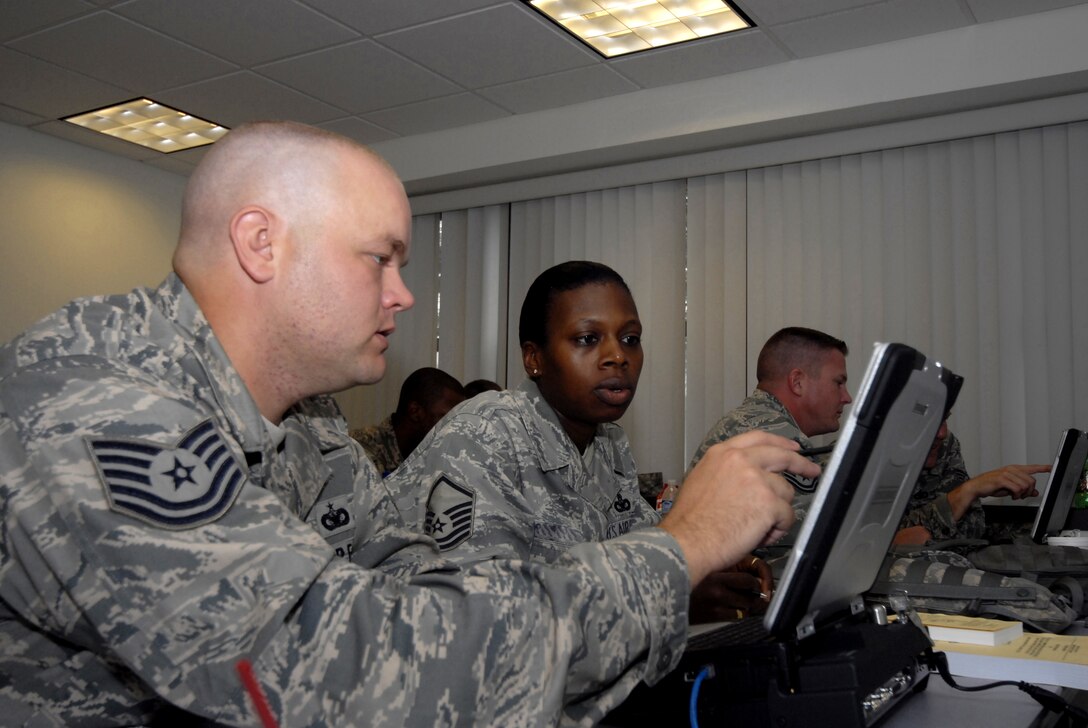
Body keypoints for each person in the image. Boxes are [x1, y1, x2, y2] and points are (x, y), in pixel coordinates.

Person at [0, 121, 816, 726]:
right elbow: (351, 671)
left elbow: (420, 585)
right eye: (379, 259)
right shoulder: (100, 409)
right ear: (261, 244)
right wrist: (679, 552)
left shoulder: (309, 424)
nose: (403, 295)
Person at [386, 261, 774, 622]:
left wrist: (713, 564)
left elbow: (643, 549)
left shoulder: (608, 442)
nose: (617, 356)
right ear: (534, 358)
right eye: (588, 339)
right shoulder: (481, 435)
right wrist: (670, 596)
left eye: (630, 338)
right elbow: (487, 618)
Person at [688, 326, 852, 527]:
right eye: (838, 383)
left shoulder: (752, 420)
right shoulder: (773, 431)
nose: (847, 398)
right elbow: (805, 529)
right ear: (797, 382)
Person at [894, 419, 1048, 545]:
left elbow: (972, 530)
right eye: (927, 421)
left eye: (944, 418)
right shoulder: (870, 453)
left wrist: (969, 492)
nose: (941, 433)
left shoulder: (944, 445)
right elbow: (882, 544)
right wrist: (968, 490)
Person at [349, 366, 466, 476]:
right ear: (415, 412)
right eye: (448, 418)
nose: (455, 427)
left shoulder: (437, 454)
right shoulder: (358, 450)